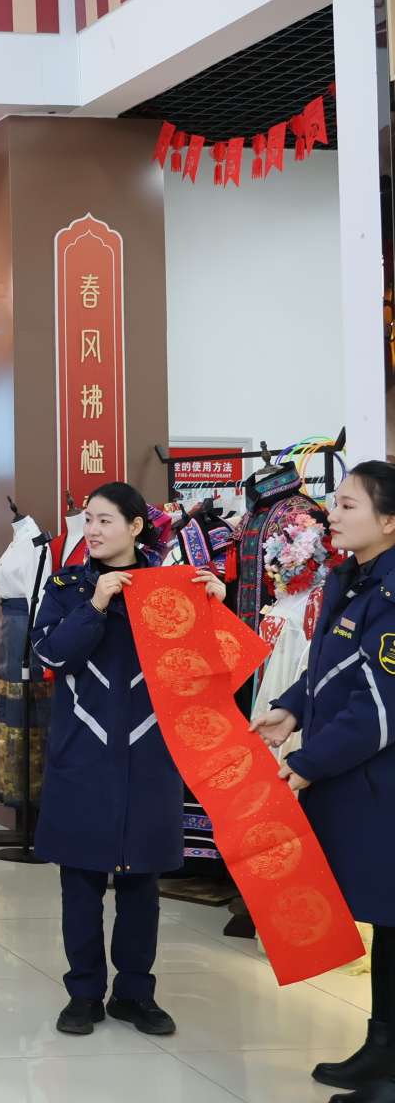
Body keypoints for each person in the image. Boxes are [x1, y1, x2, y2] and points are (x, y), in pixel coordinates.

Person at [33, 480, 223, 1039]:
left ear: (137, 527)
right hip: (82, 753)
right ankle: (84, 993)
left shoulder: (173, 587)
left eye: (105, 520)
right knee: (80, 880)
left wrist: (213, 606)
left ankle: (135, 994)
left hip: (149, 753)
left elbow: (209, 669)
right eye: (88, 520)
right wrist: (96, 603)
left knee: (142, 882)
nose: (92, 530)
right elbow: (50, 655)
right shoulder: (67, 586)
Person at [256, 461, 395, 1099]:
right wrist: (291, 708)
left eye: (346, 505)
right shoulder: (351, 577)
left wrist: (308, 762)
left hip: (380, 779)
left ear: (388, 520)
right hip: (362, 781)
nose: (330, 515)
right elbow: (329, 667)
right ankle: (381, 1047)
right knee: (387, 920)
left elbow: (379, 706)